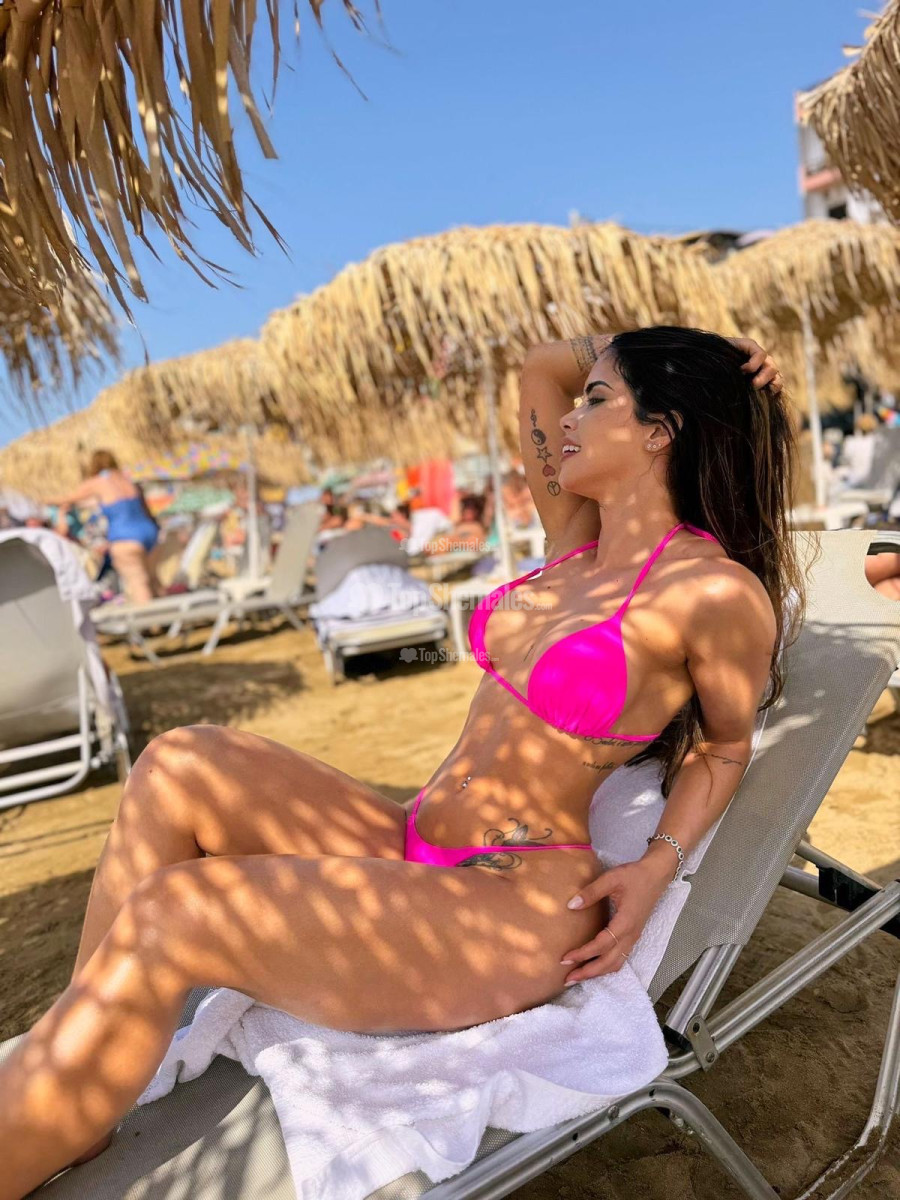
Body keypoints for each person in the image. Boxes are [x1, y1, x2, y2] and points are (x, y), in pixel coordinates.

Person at [1, 329, 801, 1196]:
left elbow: (724, 746)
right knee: (177, 763)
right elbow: (542, 363)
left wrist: (658, 863)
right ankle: (70, 1081)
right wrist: (690, 353)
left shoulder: (712, 592)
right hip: (411, 839)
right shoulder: (577, 537)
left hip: (513, 899)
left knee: (178, 909)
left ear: (660, 430)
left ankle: (37, 1119)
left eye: (598, 400)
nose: (569, 417)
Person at [46, 451, 160, 604]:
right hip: (149, 531)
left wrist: (43, 499)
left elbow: (68, 497)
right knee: (155, 582)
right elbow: (146, 511)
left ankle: (151, 618)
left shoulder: (99, 482)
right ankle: (170, 615)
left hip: (125, 536)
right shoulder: (127, 479)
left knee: (138, 583)